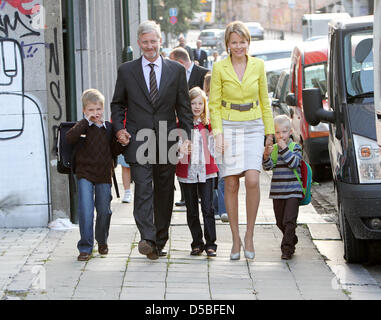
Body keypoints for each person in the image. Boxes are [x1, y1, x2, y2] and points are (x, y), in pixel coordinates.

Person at [111, 21, 193, 260]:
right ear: (139, 43)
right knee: (144, 187)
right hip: (139, 138)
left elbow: (184, 108)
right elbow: (118, 104)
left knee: (164, 190)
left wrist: (185, 137)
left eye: (153, 41)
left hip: (167, 137)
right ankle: (147, 238)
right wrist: (119, 129)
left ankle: (160, 238)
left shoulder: (176, 71)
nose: (149, 46)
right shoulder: (127, 71)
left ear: (160, 42)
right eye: (145, 42)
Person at [208, 21, 275, 260]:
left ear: (248, 42)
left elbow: (265, 102)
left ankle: (249, 235)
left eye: (242, 42)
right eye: (234, 42)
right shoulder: (219, 68)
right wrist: (218, 133)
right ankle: (235, 239)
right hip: (228, 126)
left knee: (253, 179)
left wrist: (270, 133)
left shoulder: (258, 65)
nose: (238, 46)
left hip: (254, 125)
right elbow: (213, 104)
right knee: (231, 183)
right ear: (227, 44)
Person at [66, 89, 125, 261]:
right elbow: (70, 138)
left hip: (104, 174)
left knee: (104, 211)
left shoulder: (108, 128)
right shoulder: (81, 126)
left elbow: (114, 150)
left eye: (98, 109)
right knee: (85, 210)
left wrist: (122, 144)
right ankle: (85, 247)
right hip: (85, 173)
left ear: (103, 109)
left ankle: (102, 240)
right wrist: (85, 122)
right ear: (84, 111)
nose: (95, 113)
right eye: (91, 110)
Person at [176, 87, 219, 257]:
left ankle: (211, 244)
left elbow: (215, 149)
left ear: (204, 105)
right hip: (187, 172)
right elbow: (175, 151)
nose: (196, 106)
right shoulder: (180, 125)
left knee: (208, 207)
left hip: (206, 171)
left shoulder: (209, 125)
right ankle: (196, 242)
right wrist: (181, 150)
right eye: (193, 103)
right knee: (191, 209)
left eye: (200, 103)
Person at [169, 47, 209, 207]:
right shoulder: (173, 75)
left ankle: (202, 194)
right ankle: (186, 196)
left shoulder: (203, 72)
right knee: (183, 157)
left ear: (179, 62)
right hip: (182, 124)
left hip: (200, 124)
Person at [263, 115, 302, 260]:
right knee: (280, 222)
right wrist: (266, 157)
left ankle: (287, 249)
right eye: (278, 132)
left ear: (290, 132)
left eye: (284, 132)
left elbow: (294, 163)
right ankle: (291, 238)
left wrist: (285, 149)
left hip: (293, 191)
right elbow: (268, 168)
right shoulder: (274, 150)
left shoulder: (295, 147)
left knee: (289, 221)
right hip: (278, 192)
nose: (281, 135)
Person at [204, 73, 229, 223]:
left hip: (217, 143)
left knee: (218, 178)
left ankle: (220, 209)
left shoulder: (211, 101)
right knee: (219, 178)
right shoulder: (207, 102)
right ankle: (220, 209)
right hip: (213, 143)